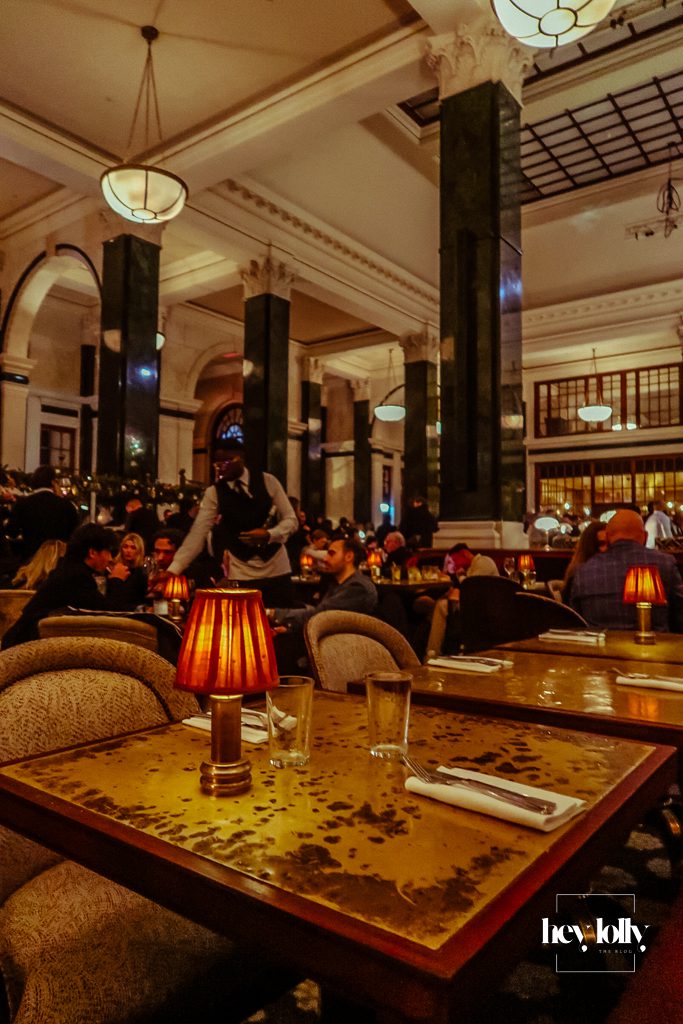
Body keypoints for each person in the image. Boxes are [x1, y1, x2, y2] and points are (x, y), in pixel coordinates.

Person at [166, 439, 298, 607]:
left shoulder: (268, 481)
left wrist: (269, 535)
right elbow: (197, 534)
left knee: (281, 621)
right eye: (217, 463)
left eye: (226, 462)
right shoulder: (214, 492)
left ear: (240, 458)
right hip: (241, 571)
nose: (221, 467)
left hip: (276, 567)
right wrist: (174, 569)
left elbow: (291, 520)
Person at [2, 524, 130, 649]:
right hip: (24, 648)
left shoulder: (68, 570)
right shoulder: (76, 577)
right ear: (92, 553)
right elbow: (109, 614)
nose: (110, 559)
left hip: (25, 642)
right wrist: (117, 580)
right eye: (108, 552)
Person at [570, 509, 683, 631]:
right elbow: (680, 614)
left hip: (598, 648)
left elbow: (574, 621)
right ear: (645, 537)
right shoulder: (665, 563)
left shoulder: (583, 571)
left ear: (607, 537)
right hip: (655, 647)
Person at [270, 535, 377, 631]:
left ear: (348, 556)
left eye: (331, 554)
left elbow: (320, 615)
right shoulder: (338, 583)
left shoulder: (358, 587)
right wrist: (289, 626)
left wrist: (273, 613)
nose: (325, 558)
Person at [423, 553, 499, 659]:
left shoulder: (483, 561)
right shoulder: (473, 566)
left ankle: (432, 655)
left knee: (441, 606)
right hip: (480, 605)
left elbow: (471, 589)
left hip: (484, 607)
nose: (454, 563)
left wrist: (460, 579)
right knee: (432, 605)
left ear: (464, 553)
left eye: (454, 559)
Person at [5, 465, 79, 560]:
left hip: (31, 558)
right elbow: (74, 534)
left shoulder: (23, 503)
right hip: (58, 559)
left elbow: (12, 532)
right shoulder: (66, 505)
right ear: (53, 482)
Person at [560, 521, 607, 605]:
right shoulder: (579, 575)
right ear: (590, 546)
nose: (607, 548)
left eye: (610, 543)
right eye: (602, 544)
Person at [115, 532, 148, 607]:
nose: (128, 551)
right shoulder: (116, 569)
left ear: (139, 550)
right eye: (125, 547)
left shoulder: (141, 572)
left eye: (133, 548)